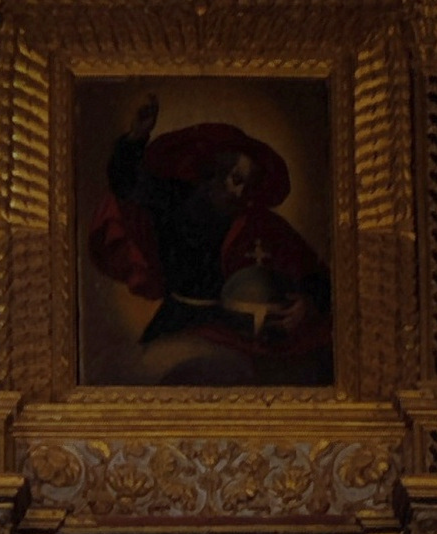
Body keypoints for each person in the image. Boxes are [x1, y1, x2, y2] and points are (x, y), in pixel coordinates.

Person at [87, 97, 330, 382]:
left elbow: (312, 271)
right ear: (217, 173)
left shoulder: (260, 222)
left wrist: (309, 301)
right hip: (178, 321)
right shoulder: (174, 199)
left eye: (247, 185)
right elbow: (127, 183)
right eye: (236, 180)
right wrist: (136, 137)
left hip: (237, 331)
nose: (240, 193)